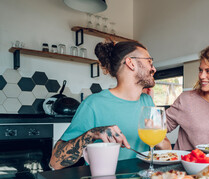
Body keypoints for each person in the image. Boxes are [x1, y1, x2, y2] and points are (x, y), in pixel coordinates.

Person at [50, 40, 171, 170]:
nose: (153, 68)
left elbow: (167, 149)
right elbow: (55, 162)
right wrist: (92, 134)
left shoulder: (147, 102)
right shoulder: (93, 104)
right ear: (131, 63)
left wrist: (158, 139)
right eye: (149, 62)